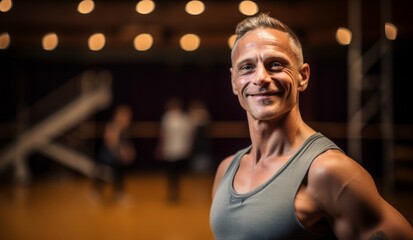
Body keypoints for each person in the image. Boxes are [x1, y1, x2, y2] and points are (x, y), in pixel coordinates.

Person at [210, 13, 413, 240]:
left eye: (275, 64)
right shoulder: (226, 169)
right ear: (234, 82)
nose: (261, 78)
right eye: (247, 67)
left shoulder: (328, 171)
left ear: (303, 76)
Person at [91, 105, 136, 203]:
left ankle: (119, 194)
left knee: (118, 175)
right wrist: (121, 152)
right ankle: (96, 193)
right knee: (104, 175)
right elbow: (110, 141)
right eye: (126, 116)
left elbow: (125, 142)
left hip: (115, 157)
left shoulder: (124, 128)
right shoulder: (114, 125)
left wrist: (128, 151)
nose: (128, 119)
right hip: (108, 156)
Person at [156, 97, 194, 202]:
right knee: (173, 173)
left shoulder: (182, 118)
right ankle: (173, 193)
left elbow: (188, 135)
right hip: (173, 149)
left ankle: (174, 193)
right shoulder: (171, 118)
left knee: (174, 173)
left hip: (177, 150)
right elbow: (164, 134)